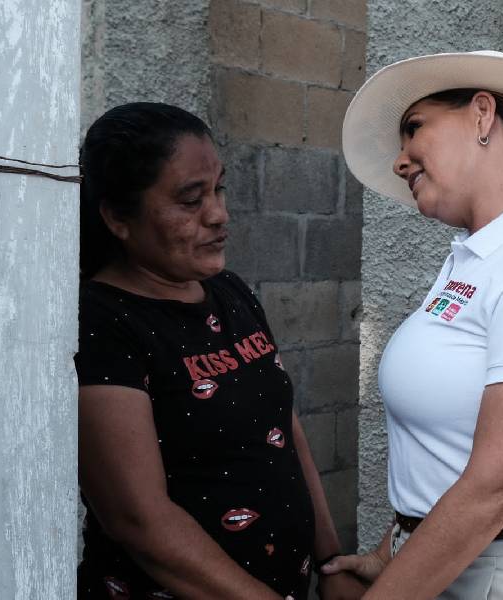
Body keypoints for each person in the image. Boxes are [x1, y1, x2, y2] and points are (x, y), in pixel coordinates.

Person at [322, 51, 503, 599]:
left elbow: (501, 485)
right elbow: (446, 451)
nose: (399, 160)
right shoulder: (478, 256)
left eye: (414, 129)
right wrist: (392, 550)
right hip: (458, 569)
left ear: (483, 115)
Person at [76, 102, 364, 600]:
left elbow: (285, 429)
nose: (219, 214)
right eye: (191, 200)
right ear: (118, 218)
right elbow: (139, 520)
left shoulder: (230, 292)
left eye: (219, 188)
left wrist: (331, 560)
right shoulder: (102, 322)